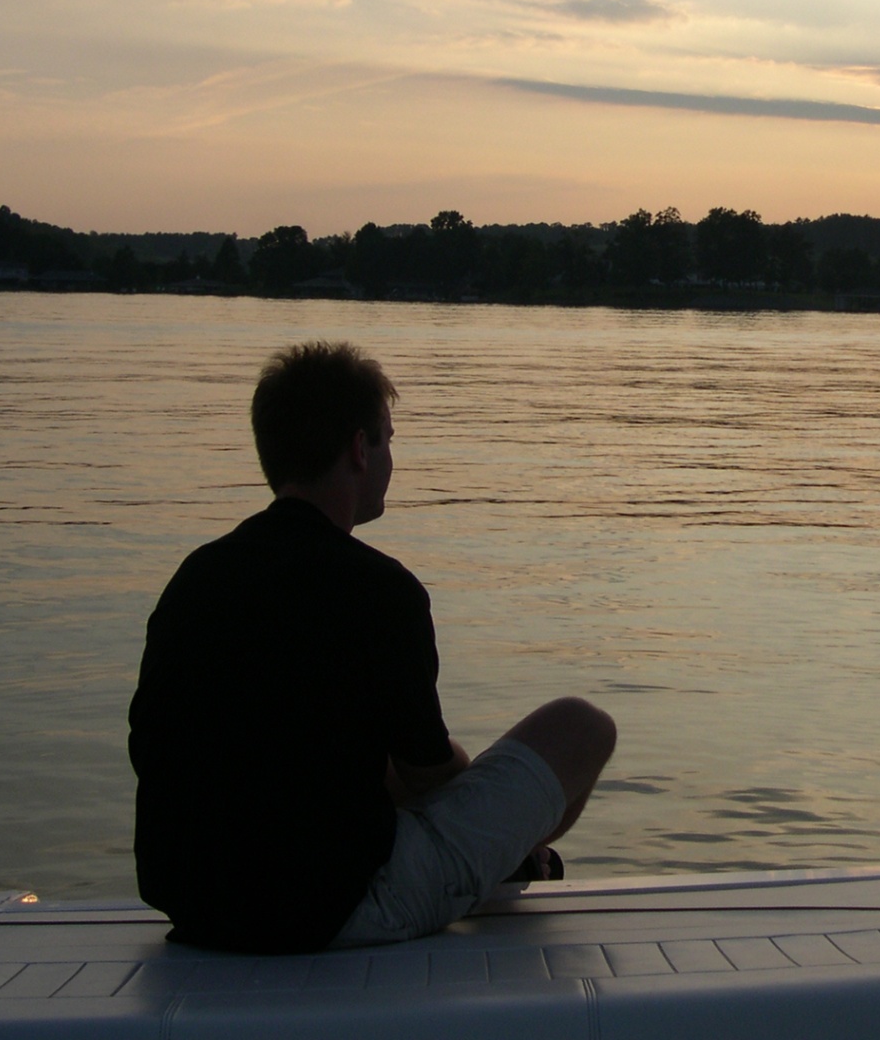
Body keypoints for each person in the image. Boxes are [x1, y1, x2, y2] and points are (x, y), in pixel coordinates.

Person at [129, 341, 615, 954]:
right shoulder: (380, 590)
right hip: (332, 909)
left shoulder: (195, 578)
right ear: (360, 449)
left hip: (196, 905)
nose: (391, 458)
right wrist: (491, 807)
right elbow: (432, 777)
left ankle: (508, 860)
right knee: (583, 727)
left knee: (351, 757)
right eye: (389, 439)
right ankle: (516, 861)